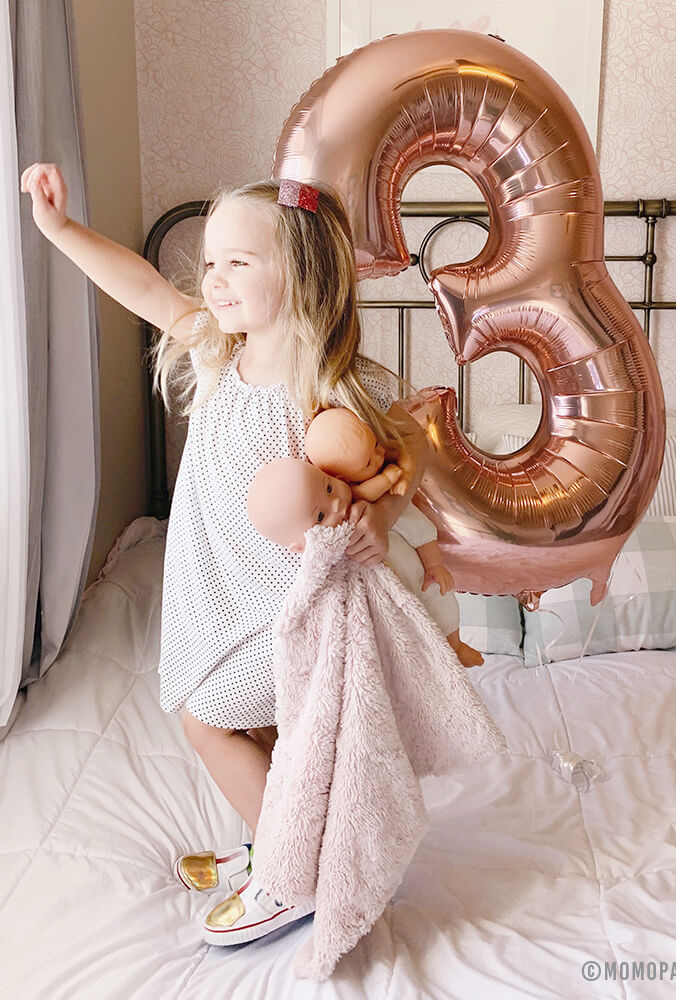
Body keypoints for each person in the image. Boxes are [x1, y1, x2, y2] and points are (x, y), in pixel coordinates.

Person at [21, 164, 431, 946]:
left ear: (302, 273)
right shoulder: (218, 352)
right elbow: (143, 288)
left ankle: (287, 873)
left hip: (290, 611)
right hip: (224, 591)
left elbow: (408, 447)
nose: (213, 280)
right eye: (210, 263)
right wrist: (61, 231)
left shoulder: (327, 386)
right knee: (262, 735)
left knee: (208, 720)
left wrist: (386, 513)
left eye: (238, 263)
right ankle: (280, 838)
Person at [301, 408, 484, 667]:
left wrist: (435, 565)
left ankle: (455, 645)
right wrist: (388, 477)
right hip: (385, 592)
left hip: (419, 574)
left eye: (376, 446)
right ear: (339, 477)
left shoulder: (390, 504)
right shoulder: (345, 504)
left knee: (441, 603)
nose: (379, 456)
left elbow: (422, 533)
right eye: (368, 462)